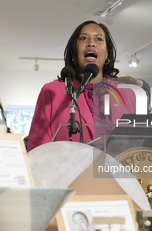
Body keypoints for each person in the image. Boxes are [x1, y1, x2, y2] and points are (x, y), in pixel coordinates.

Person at [27, 20, 136, 151]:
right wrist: (78, 153)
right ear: (75, 51)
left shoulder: (127, 94)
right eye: (83, 38)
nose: (91, 43)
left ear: (107, 54)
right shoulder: (52, 92)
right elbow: (37, 150)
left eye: (99, 39)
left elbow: (140, 143)